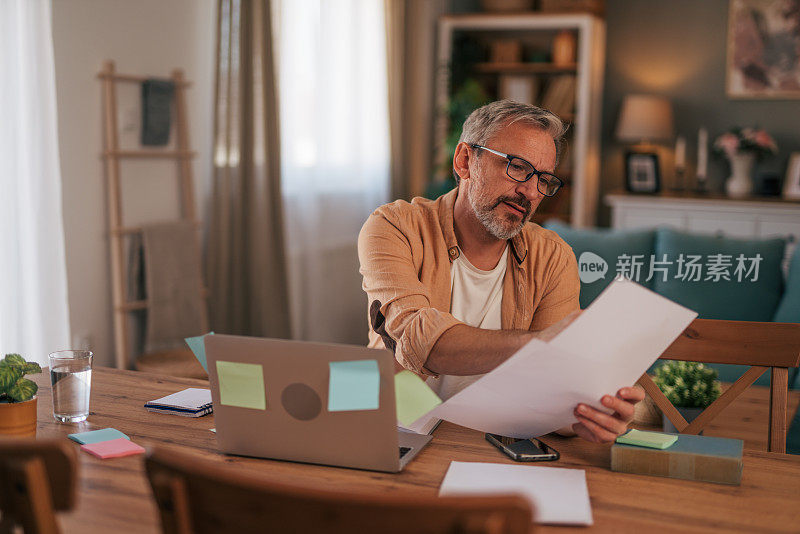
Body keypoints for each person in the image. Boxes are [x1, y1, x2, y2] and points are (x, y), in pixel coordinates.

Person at [358, 100, 644, 443]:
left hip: (493, 441)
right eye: (518, 167)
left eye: (543, 180)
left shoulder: (553, 256)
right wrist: (539, 343)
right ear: (465, 161)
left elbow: (551, 392)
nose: (530, 191)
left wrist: (584, 416)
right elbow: (418, 342)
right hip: (397, 427)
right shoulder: (394, 226)